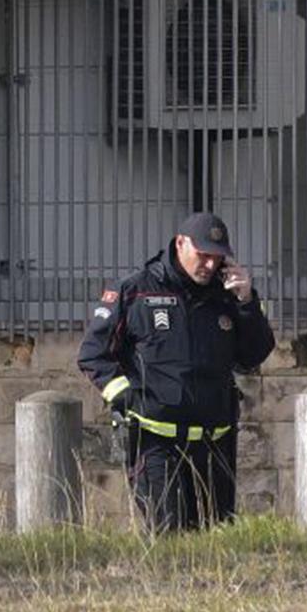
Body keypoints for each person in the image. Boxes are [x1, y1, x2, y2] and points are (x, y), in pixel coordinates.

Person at [77, 210, 275, 531]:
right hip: (156, 442)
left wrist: (247, 302)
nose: (210, 265)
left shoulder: (229, 297)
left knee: (215, 539)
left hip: (215, 443)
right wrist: (128, 399)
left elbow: (253, 356)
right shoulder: (135, 291)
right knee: (168, 534)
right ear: (181, 243)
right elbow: (93, 355)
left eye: (218, 258)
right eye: (203, 255)